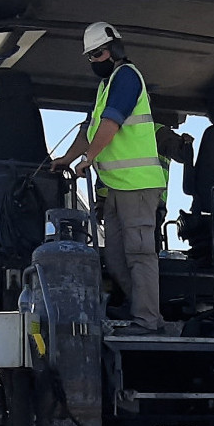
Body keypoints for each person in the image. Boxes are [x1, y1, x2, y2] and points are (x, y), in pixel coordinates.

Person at [50, 22, 168, 333]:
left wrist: (88, 159)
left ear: (114, 49)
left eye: (98, 54)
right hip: (117, 187)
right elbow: (90, 128)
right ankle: (137, 309)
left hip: (138, 185)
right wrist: (67, 159)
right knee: (114, 256)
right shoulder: (107, 86)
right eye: (90, 56)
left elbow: (110, 124)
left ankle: (148, 320)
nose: (94, 61)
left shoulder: (127, 77)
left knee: (139, 254)